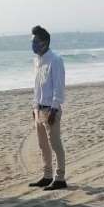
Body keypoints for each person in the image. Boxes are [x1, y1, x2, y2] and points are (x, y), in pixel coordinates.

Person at [28, 25, 67, 191]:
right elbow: (37, 86)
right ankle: (47, 175)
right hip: (39, 109)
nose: (33, 44)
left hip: (51, 110)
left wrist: (54, 109)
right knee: (43, 145)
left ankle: (60, 178)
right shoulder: (37, 61)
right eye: (32, 41)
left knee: (55, 144)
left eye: (35, 41)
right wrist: (34, 107)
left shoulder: (55, 60)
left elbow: (59, 87)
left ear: (44, 42)